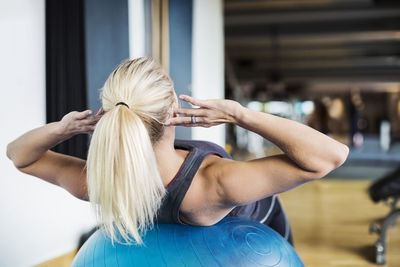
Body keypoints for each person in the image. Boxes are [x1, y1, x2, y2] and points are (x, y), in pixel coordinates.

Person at [7, 57, 349, 245]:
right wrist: (238, 114)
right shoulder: (214, 183)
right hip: (259, 237)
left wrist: (63, 128)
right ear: (173, 107)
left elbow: (19, 155)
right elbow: (330, 156)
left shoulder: (102, 182)